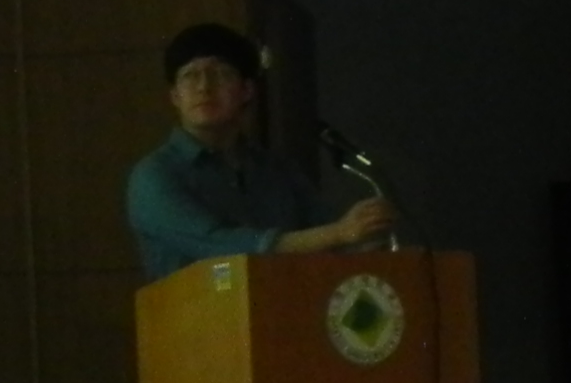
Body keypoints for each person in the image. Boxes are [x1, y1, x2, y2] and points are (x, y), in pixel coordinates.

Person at [125, 19, 392, 280]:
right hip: (195, 309)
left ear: (246, 90)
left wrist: (365, 235)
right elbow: (221, 246)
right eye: (190, 76)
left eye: (220, 74)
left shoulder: (277, 169)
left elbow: (331, 235)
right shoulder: (155, 175)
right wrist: (339, 233)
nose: (204, 87)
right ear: (175, 96)